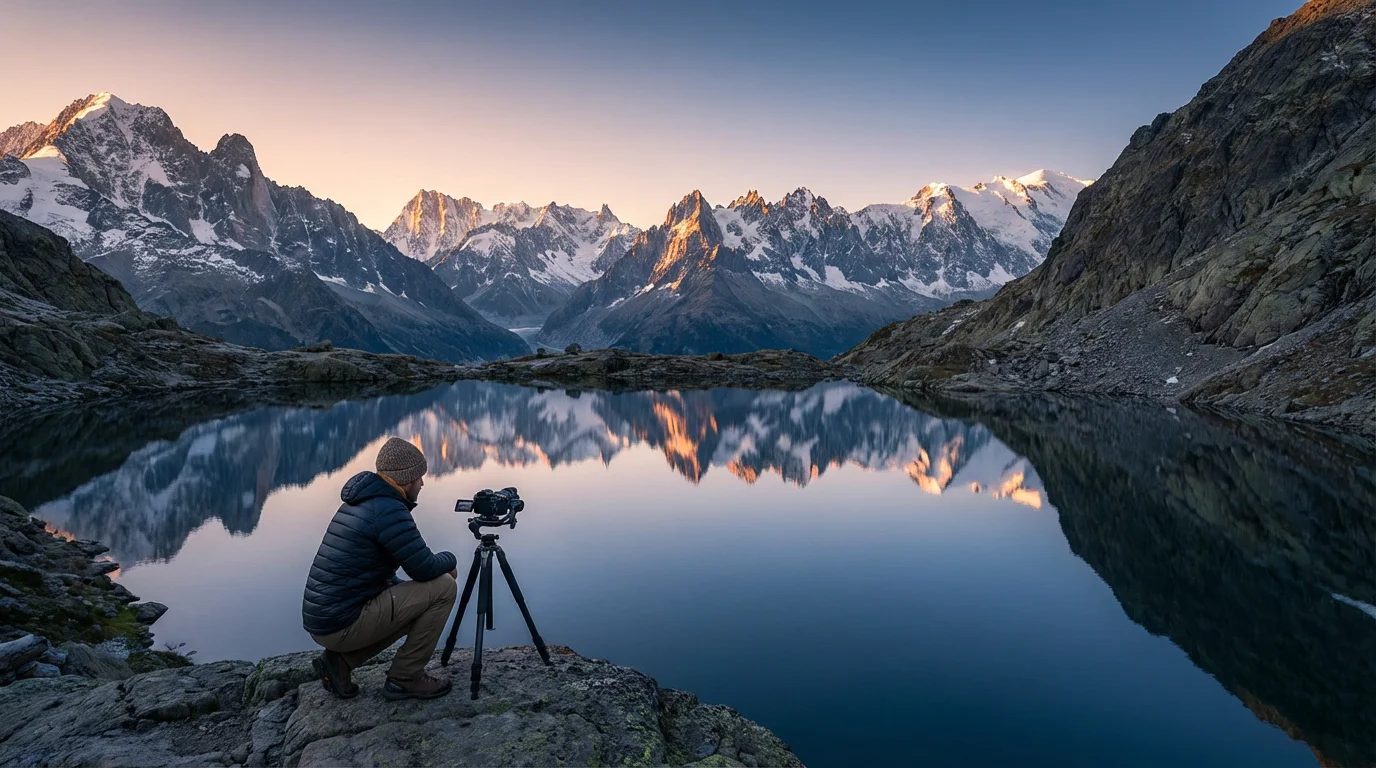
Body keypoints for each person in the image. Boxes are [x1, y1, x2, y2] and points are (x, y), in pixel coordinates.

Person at [302, 437, 458, 700]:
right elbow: (424, 568)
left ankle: (341, 664)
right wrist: (451, 560)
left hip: (326, 621)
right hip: (341, 624)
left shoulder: (365, 500)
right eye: (419, 477)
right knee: (443, 587)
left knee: (416, 597)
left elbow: (378, 575)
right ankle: (405, 677)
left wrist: (406, 590)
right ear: (406, 479)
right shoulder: (388, 509)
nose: (422, 483)